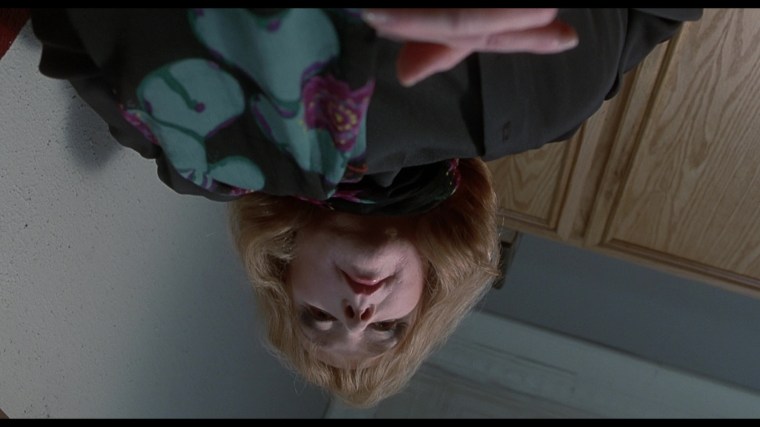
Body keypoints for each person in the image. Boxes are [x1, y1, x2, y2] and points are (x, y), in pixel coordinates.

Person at [29, 8, 703, 408]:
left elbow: (67, 31)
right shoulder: (543, 112)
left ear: (285, 269)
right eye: (388, 329)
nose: (358, 314)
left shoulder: (201, 161)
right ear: (428, 289)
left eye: (318, 316)